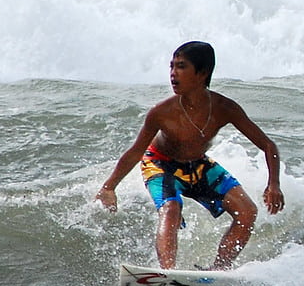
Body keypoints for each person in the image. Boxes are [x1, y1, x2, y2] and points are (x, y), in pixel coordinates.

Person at [95, 41, 284, 270]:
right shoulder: (162, 112)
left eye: (181, 67)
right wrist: (109, 187)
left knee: (247, 212)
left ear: (202, 73)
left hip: (198, 166)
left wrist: (273, 184)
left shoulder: (224, 107)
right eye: (171, 67)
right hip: (159, 164)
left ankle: (219, 270)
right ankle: (168, 273)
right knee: (171, 209)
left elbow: (268, 145)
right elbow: (136, 151)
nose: (173, 74)